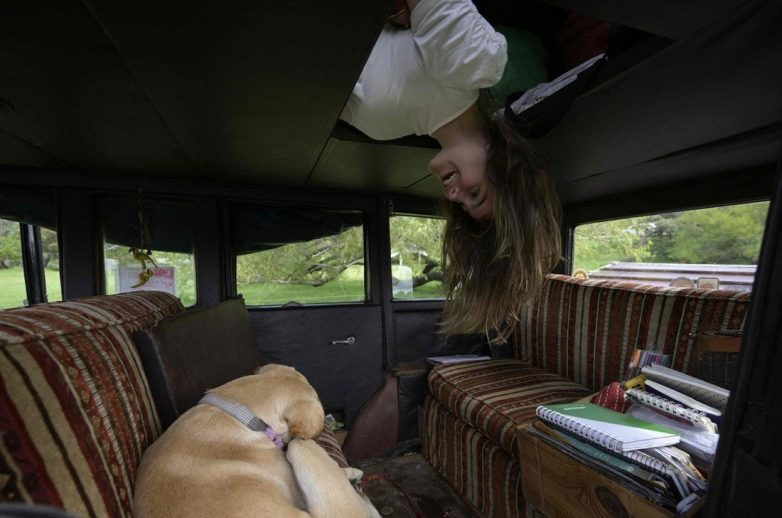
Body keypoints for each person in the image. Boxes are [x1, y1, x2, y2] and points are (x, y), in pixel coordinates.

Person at [340, 0, 562, 342]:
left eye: (462, 205)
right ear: (507, 163)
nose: (454, 195)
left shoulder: (381, 130)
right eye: (476, 194)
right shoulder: (478, 64)